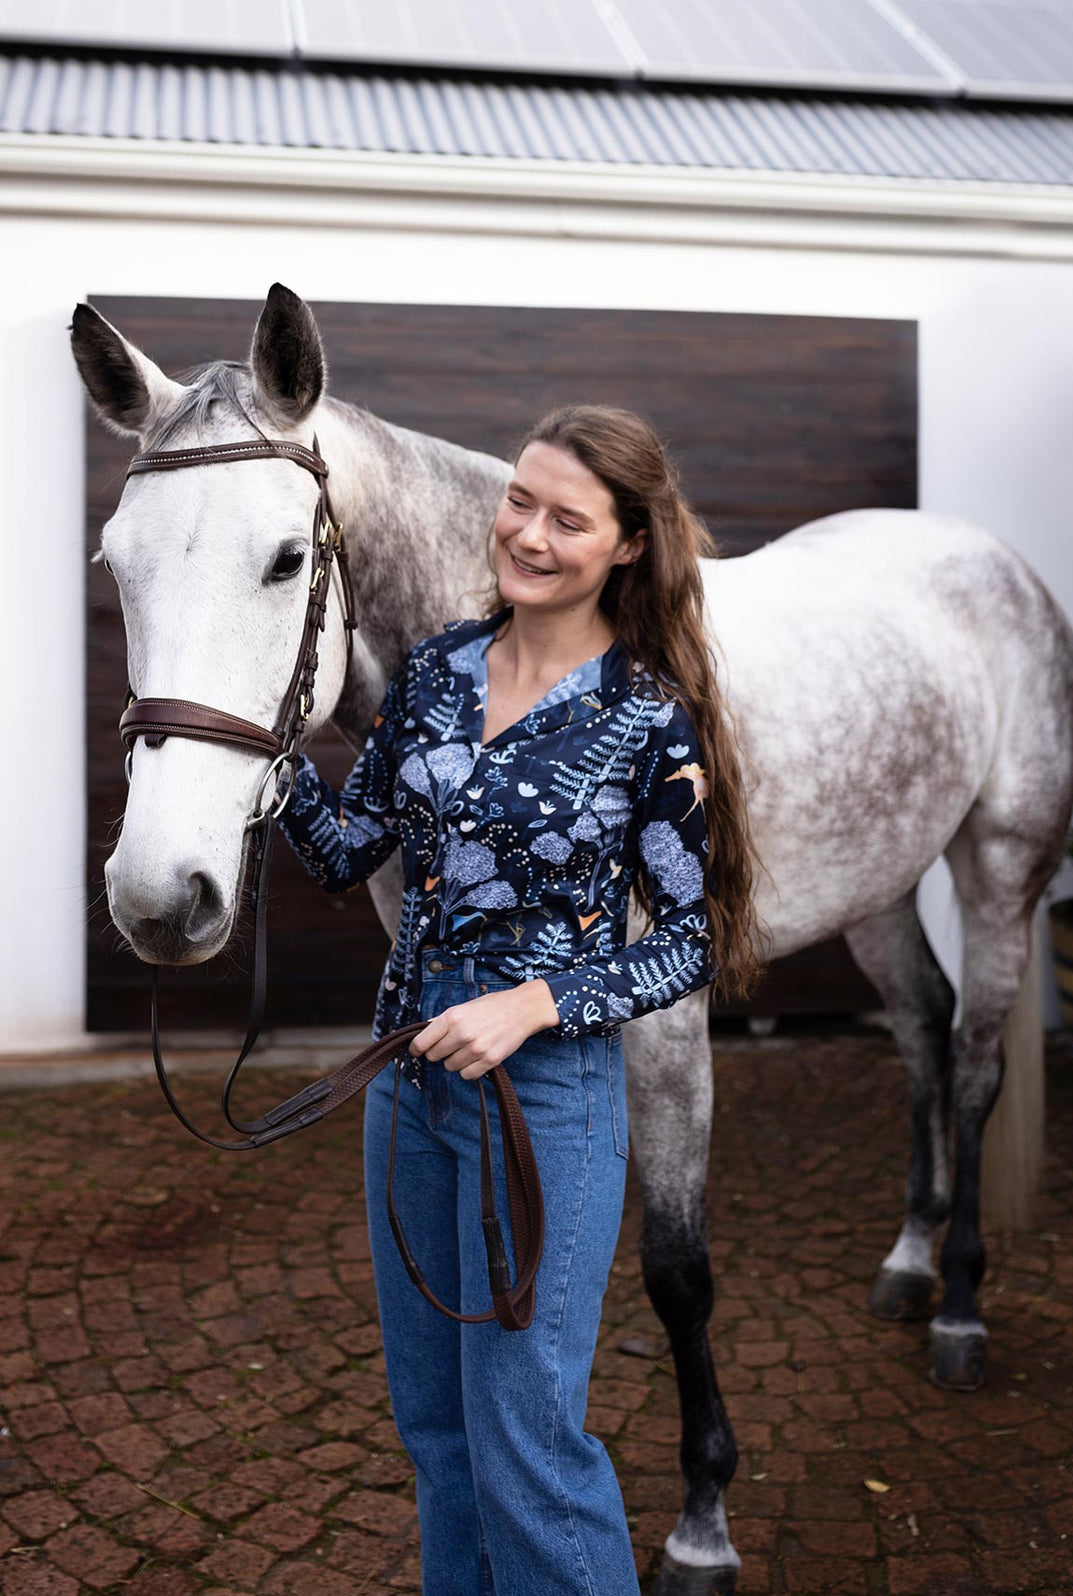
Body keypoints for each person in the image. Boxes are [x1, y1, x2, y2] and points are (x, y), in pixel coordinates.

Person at [277, 404, 764, 1595]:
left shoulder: (650, 718)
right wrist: (251, 750)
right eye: (519, 501)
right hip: (409, 1092)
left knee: (528, 1445)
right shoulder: (440, 669)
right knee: (437, 1435)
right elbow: (350, 850)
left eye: (567, 518)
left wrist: (536, 1003)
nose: (530, 535)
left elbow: (690, 945)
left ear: (628, 545)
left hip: (546, 1104)